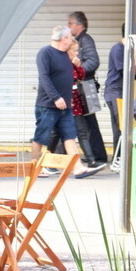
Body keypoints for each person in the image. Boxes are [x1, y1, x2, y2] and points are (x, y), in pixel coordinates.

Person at [31, 26, 103, 179]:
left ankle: (78, 168)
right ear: (64, 39)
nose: (71, 40)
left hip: (65, 105)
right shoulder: (45, 53)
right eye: (70, 37)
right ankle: (35, 167)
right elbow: (44, 78)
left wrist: (68, 97)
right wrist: (56, 97)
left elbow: (73, 76)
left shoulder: (65, 55)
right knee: (41, 137)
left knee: (69, 135)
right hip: (48, 104)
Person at [67, 11, 107, 164]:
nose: (68, 26)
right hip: (83, 88)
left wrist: (78, 69)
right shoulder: (80, 40)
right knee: (87, 123)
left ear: (79, 25)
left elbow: (93, 62)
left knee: (89, 124)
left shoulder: (85, 40)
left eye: (70, 23)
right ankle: (95, 155)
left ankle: (97, 156)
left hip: (84, 88)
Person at [103, 23, 136, 168]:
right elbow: (126, 71)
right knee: (120, 125)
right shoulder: (118, 49)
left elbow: (135, 74)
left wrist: (133, 55)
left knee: (123, 125)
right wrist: (133, 56)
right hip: (114, 91)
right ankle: (118, 159)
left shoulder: (128, 51)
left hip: (122, 91)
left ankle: (120, 158)